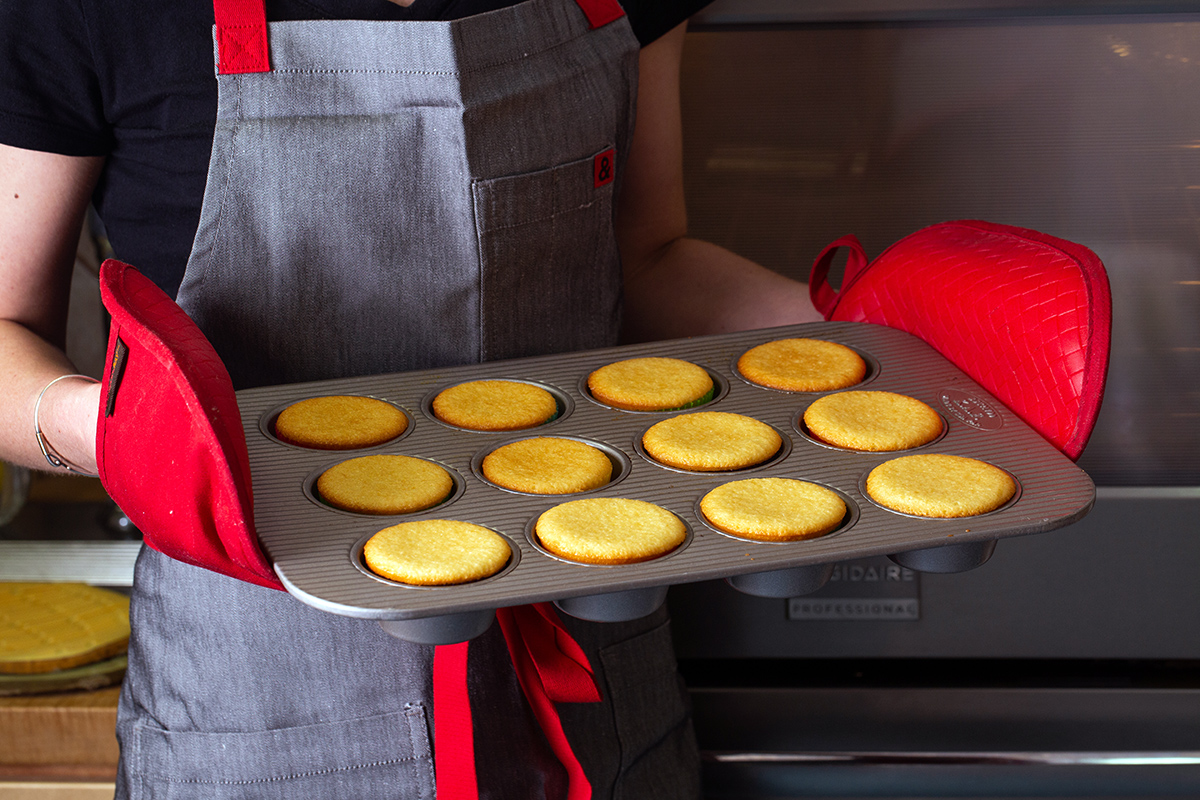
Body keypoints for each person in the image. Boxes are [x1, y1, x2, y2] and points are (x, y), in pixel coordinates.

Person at [0, 0, 823, 796]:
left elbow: (646, 262)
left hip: (588, 629)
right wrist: (124, 433)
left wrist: (853, 323)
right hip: (261, 687)